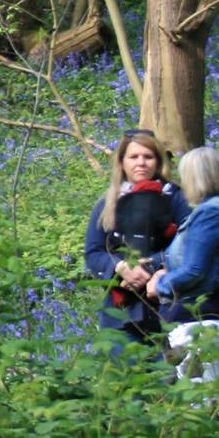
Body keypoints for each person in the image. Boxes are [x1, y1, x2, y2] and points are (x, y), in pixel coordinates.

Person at [83, 130, 190, 351]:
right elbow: (93, 253)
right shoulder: (107, 203)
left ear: (158, 161)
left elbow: (190, 245)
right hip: (120, 311)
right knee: (127, 380)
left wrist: (157, 268)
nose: (141, 163)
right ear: (122, 162)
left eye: (148, 157)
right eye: (133, 157)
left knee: (171, 379)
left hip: (167, 306)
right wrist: (121, 267)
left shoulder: (177, 198)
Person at [148, 146, 219, 380]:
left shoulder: (210, 213)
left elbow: (194, 269)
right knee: (211, 391)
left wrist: (161, 285)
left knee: (200, 399)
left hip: (200, 319)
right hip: (212, 315)